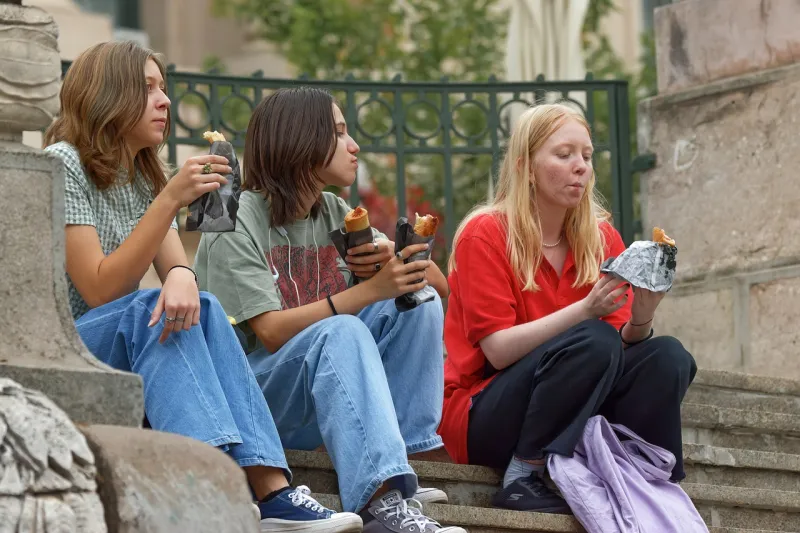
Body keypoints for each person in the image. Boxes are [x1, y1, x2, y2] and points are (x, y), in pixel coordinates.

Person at [45, 41, 362, 533]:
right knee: (147, 309)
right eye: (148, 88)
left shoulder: (145, 173)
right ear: (108, 95)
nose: (165, 101)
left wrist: (180, 273)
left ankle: (273, 492)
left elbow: (179, 270)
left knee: (204, 306)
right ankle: (208, 481)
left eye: (164, 89)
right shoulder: (63, 162)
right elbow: (99, 290)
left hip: (122, 335)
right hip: (67, 346)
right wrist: (171, 200)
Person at [194, 87, 464, 533]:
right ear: (301, 141)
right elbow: (271, 332)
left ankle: (410, 453)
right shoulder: (237, 216)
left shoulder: (336, 212)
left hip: (318, 391)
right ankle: (382, 505)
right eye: (338, 133)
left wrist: (392, 257)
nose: (354, 145)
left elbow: (438, 286)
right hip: (257, 402)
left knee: (417, 303)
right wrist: (366, 292)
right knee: (342, 329)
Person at [439, 103, 697, 514]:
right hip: (484, 412)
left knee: (668, 355)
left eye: (587, 156)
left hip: (573, 402)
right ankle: (523, 474)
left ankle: (645, 474)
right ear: (526, 166)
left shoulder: (602, 238)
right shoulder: (484, 233)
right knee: (591, 338)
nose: (581, 167)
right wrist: (584, 310)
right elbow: (498, 351)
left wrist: (642, 317)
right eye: (564, 155)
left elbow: (615, 351)